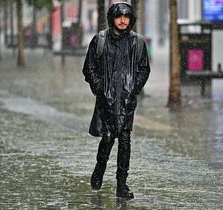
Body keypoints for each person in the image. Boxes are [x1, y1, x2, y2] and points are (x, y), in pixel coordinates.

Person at [82, 2, 150, 199]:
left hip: (127, 101)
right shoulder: (100, 40)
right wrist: (100, 89)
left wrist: (134, 88)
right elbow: (89, 68)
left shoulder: (137, 42)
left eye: (126, 17)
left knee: (125, 140)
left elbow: (144, 69)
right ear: (112, 18)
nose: (122, 20)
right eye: (119, 16)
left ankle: (122, 184)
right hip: (106, 100)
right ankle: (99, 168)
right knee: (109, 137)